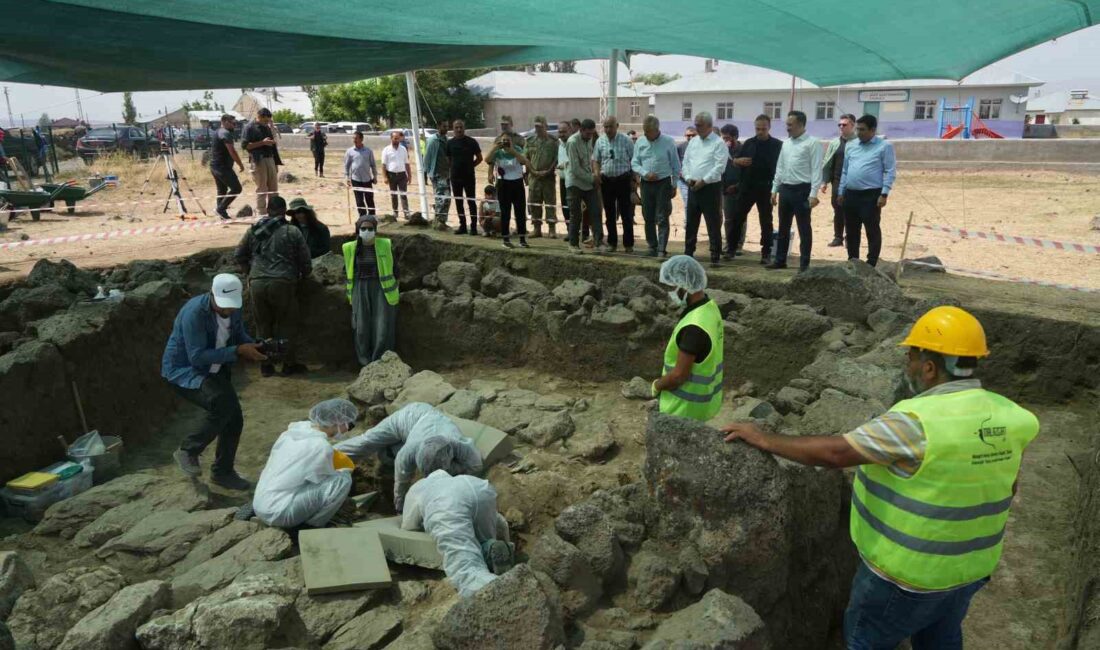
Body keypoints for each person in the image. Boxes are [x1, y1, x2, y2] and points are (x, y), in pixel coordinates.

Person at [722, 306, 1039, 650]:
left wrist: (765, 438)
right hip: (970, 570)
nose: (908, 365)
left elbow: (836, 454)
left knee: (865, 641)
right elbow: (1008, 484)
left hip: (906, 579)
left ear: (930, 368)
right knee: (941, 637)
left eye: (912, 357)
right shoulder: (1012, 416)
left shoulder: (916, 422)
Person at [161, 274, 268, 491]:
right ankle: (188, 450)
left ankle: (222, 472)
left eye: (232, 306)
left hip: (216, 369)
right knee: (222, 404)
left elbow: (238, 335)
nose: (228, 310)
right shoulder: (195, 313)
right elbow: (197, 356)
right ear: (212, 295)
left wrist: (256, 346)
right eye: (224, 306)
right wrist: (237, 351)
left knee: (234, 419)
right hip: (186, 371)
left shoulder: (233, 311)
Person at [334, 402, 483, 512]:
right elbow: (401, 482)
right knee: (366, 442)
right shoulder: (409, 451)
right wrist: (400, 507)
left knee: (387, 454)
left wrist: (453, 470)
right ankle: (329, 453)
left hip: (428, 424)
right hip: (408, 417)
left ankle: (388, 451)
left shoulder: (460, 444)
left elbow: (476, 466)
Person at [402, 468, 514, 597]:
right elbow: (500, 522)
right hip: (480, 488)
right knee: (481, 539)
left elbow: (408, 526)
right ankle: (490, 547)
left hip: (446, 503)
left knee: (465, 568)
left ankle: (506, 592)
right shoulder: (455, 480)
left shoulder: (418, 488)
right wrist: (506, 540)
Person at [234, 195, 312, 378]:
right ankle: (287, 364)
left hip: (257, 283)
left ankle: (266, 366)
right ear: (285, 211)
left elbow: (239, 254)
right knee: (286, 324)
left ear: (267, 210)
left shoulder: (253, 230)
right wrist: (302, 276)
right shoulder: (292, 232)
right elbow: (305, 261)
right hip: (283, 283)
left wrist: (249, 273)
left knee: (263, 325)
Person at [252, 399, 360, 529]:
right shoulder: (321, 447)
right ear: (337, 422)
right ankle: (310, 527)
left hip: (260, 503)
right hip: (279, 513)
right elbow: (323, 478)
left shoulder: (294, 432)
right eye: (349, 425)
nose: (347, 430)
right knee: (342, 479)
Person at [650, 255, 724, 421]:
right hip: (704, 403)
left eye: (672, 286)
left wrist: (657, 385)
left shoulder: (694, 327)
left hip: (683, 409)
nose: (670, 292)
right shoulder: (709, 308)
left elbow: (678, 376)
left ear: (683, 286)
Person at [840, 114, 897, 268]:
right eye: (857, 129)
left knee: (871, 229)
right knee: (851, 230)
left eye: (863, 130)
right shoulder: (851, 145)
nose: (859, 132)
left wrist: (884, 193)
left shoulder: (884, 146)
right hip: (851, 194)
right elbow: (845, 171)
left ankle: (871, 263)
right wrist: (841, 191)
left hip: (871, 195)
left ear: (873, 130)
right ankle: (853, 260)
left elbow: (890, 171)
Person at [769, 110, 823, 272]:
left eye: (790, 125)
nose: (787, 128)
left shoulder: (812, 143)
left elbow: (816, 170)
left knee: (804, 228)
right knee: (783, 227)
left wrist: (813, 194)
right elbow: (780, 167)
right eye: (787, 124)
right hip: (785, 189)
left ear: (800, 125)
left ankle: (804, 264)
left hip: (802, 191)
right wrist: (774, 189)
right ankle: (780, 260)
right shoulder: (786, 143)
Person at [343, 214, 399, 364]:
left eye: (370, 228)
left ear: (375, 229)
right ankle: (365, 363)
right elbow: (347, 270)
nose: (367, 231)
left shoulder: (385, 245)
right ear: (358, 230)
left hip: (382, 289)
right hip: (359, 289)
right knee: (361, 328)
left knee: (382, 327)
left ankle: (381, 360)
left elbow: (395, 269)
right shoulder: (349, 248)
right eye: (363, 228)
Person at [733, 115, 783, 265]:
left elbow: (781, 168)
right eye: (757, 129)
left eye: (763, 129)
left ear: (769, 128)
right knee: (737, 218)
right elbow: (736, 161)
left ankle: (766, 252)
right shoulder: (749, 143)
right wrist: (738, 161)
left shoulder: (777, 145)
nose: (760, 131)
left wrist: (776, 189)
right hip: (747, 187)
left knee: (766, 221)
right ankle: (731, 247)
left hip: (767, 187)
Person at [681, 112, 728, 266]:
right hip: (692, 185)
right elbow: (686, 162)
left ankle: (715, 256)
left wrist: (704, 180)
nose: (697, 128)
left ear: (708, 126)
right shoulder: (693, 142)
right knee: (691, 222)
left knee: (713, 222)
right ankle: (688, 252)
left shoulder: (718, 143)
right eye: (695, 125)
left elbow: (719, 166)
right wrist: (688, 178)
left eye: (699, 125)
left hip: (710, 187)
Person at [631, 115, 679, 258]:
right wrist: (645, 173)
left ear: (657, 129)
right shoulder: (640, 142)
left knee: (662, 217)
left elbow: (676, 165)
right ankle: (652, 246)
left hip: (663, 183)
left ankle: (661, 249)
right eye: (644, 131)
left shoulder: (668, 142)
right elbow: (634, 163)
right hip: (646, 184)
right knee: (648, 216)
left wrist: (674, 184)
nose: (645, 134)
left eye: (648, 132)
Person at [593, 116, 636, 253]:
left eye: (610, 126)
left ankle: (628, 245)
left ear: (617, 126)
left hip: (623, 180)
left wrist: (634, 181)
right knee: (609, 214)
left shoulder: (626, 141)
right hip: (606, 181)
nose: (608, 129)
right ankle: (612, 243)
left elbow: (634, 160)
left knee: (626, 214)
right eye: (605, 127)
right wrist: (597, 173)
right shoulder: (600, 141)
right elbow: (596, 160)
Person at [485, 128, 530, 249]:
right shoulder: (498, 152)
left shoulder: (518, 150)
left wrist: (512, 151)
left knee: (520, 211)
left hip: (517, 182)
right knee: (505, 212)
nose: (505, 142)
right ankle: (506, 238)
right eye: (503, 140)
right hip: (503, 183)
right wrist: (495, 147)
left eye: (508, 140)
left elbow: (523, 161)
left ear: (512, 141)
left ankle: (522, 238)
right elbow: (487, 160)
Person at [565, 118, 603, 254]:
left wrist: (596, 173)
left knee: (596, 212)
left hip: (588, 182)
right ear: (581, 130)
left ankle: (599, 243)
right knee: (576, 215)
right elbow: (575, 169)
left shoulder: (590, 140)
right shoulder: (572, 142)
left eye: (592, 134)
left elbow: (590, 160)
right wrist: (592, 178)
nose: (590, 136)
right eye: (587, 134)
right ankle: (573, 244)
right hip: (574, 183)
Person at [821, 113, 858, 248]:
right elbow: (828, 162)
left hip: (853, 182)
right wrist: (824, 181)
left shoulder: (858, 143)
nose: (841, 127)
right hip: (837, 181)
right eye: (840, 125)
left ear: (853, 126)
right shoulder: (835, 143)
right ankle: (838, 237)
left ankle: (850, 237)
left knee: (851, 211)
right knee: (838, 210)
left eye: (845, 124)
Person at [446, 119, 483, 235]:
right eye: (456, 127)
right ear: (453, 129)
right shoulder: (450, 143)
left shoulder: (472, 142)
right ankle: (462, 225)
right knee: (458, 202)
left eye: (461, 127)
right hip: (455, 177)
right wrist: (454, 167)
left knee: (471, 201)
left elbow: (480, 158)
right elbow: (448, 159)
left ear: (464, 128)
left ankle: (473, 227)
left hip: (469, 177)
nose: (459, 129)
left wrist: (470, 166)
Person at [242, 108, 282, 214]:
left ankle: (274, 211)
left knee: (273, 188)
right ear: (259, 116)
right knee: (262, 188)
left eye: (268, 121)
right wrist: (262, 143)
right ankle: (261, 212)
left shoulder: (266, 127)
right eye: (265, 120)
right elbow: (245, 146)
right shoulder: (249, 127)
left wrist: (276, 162)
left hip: (270, 159)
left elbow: (272, 145)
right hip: (258, 160)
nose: (267, 123)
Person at [525, 116, 559, 239]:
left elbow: (556, 158)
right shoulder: (530, 141)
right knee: (534, 203)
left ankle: (551, 229)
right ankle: (536, 228)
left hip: (548, 178)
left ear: (546, 126)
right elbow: (526, 158)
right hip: (534, 178)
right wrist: (533, 171)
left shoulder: (553, 142)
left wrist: (549, 170)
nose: (538, 129)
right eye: (536, 126)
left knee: (550, 203)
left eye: (540, 126)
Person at [210, 114, 246, 220]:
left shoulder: (218, 132)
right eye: (233, 123)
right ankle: (220, 209)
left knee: (222, 190)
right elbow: (232, 151)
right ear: (225, 121)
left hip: (215, 166)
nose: (234, 126)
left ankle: (221, 213)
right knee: (236, 188)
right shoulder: (225, 133)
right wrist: (240, 164)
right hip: (222, 167)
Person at [719, 124, 744, 259]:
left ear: (735, 137)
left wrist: (738, 186)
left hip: (740, 189)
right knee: (728, 219)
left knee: (740, 218)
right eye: (723, 138)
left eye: (727, 138)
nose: (725, 141)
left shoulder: (744, 150)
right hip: (726, 190)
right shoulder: (721, 150)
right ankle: (729, 245)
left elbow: (747, 172)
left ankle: (738, 245)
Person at [423, 120, 451, 225]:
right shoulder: (433, 140)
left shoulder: (446, 140)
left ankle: (442, 220)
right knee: (441, 199)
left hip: (446, 174)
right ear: (438, 126)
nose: (446, 128)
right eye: (444, 126)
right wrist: (427, 172)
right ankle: (439, 221)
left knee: (447, 199)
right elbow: (427, 157)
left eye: (447, 126)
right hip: (437, 174)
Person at [345, 131, 379, 218]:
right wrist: (347, 178)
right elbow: (347, 166)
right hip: (355, 179)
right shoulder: (350, 151)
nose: (354, 140)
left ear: (361, 139)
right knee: (359, 201)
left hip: (367, 179)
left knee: (369, 199)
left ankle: (372, 217)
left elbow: (373, 165)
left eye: (356, 138)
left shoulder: (368, 151)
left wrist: (375, 176)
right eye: (353, 138)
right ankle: (362, 217)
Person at [382, 131, 411, 219]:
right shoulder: (386, 150)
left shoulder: (403, 149)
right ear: (391, 138)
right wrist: (385, 177)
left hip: (402, 175)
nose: (397, 140)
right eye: (395, 138)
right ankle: (395, 212)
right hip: (391, 175)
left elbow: (407, 163)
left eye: (398, 138)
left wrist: (409, 175)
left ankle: (406, 213)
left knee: (403, 194)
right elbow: (383, 165)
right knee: (393, 195)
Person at [555, 120, 573, 238]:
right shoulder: (560, 143)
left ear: (570, 131)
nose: (561, 134)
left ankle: (578, 232)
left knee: (573, 207)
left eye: (564, 131)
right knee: (565, 207)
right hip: (562, 180)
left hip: (573, 181)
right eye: (560, 132)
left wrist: (565, 165)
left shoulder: (574, 143)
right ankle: (569, 231)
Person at [676, 127, 697, 214]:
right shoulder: (680, 147)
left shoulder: (701, 147)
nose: (691, 137)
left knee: (696, 204)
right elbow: (676, 163)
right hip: (683, 180)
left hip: (697, 181)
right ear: (685, 136)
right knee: (688, 202)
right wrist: (681, 173)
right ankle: (687, 225)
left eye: (693, 135)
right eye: (689, 135)